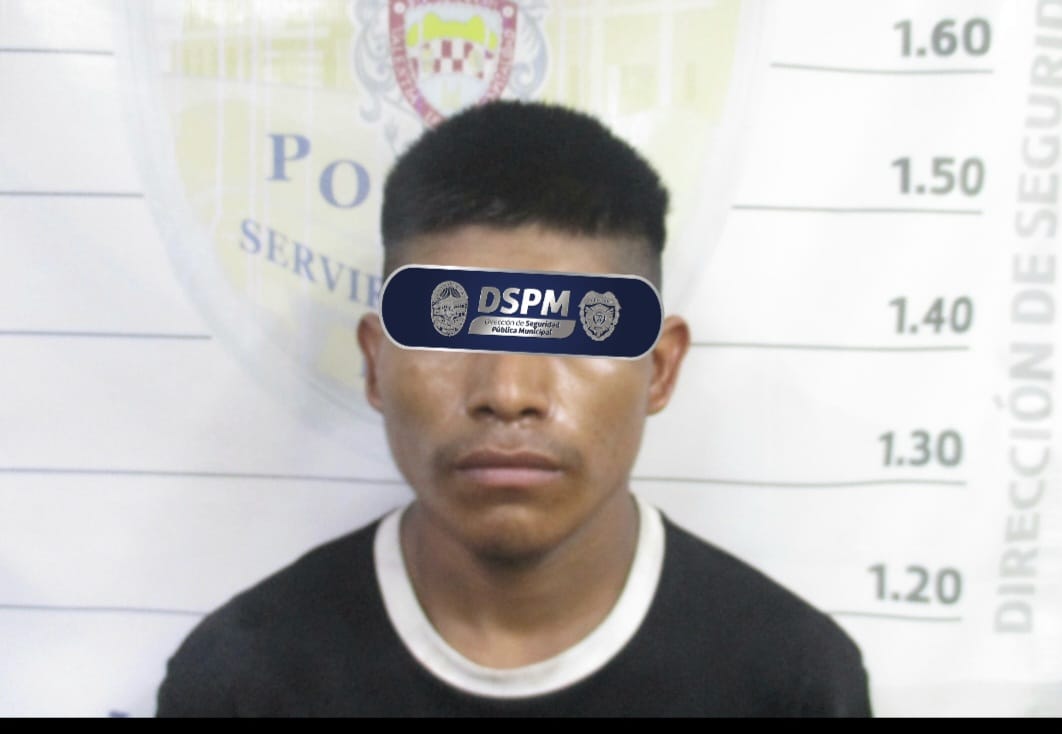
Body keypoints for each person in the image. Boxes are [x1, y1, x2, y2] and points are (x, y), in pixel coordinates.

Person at [157, 101, 872, 717]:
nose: (508, 393)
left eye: (578, 331)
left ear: (658, 370)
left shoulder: (789, 683)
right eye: (447, 328)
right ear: (376, 364)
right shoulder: (245, 680)